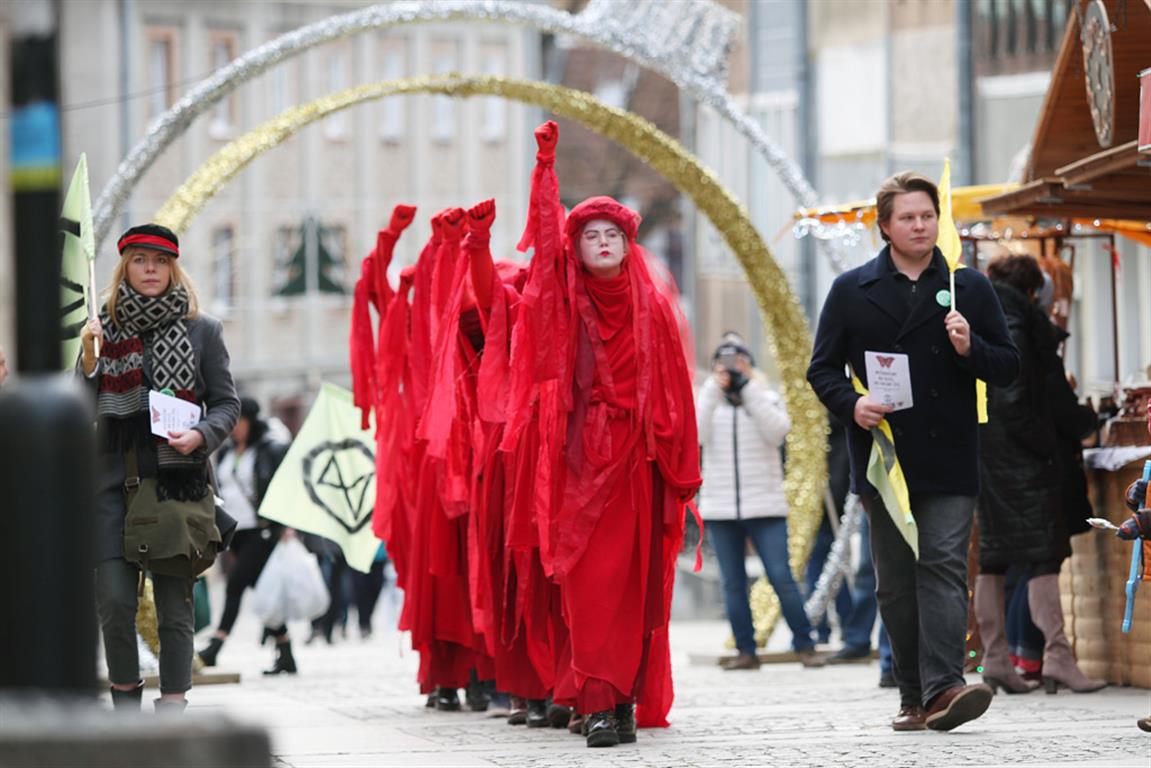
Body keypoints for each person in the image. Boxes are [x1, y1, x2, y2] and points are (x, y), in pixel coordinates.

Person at [505, 122, 702, 747]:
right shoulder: (562, 298)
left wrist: (677, 462)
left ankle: (619, 702)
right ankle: (595, 702)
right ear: (578, 247)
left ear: (628, 241)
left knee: (635, 591)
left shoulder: (654, 309)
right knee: (590, 589)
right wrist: (544, 168)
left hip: (637, 467)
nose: (602, 242)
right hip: (579, 465)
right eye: (590, 234)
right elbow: (541, 239)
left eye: (612, 233)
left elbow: (674, 389)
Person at [806, 172, 1019, 732]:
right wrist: (853, 404)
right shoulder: (852, 289)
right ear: (885, 226)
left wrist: (971, 347)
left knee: (944, 567)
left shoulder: (967, 285)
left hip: (950, 451)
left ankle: (947, 685)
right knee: (895, 582)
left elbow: (1007, 364)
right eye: (908, 217)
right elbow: (822, 368)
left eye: (927, 215)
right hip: (884, 457)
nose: (920, 225)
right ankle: (913, 694)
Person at [80, 223, 239, 712]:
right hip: (111, 486)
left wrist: (201, 436)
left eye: (160, 261)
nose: (151, 270)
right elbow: (78, 407)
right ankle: (126, 702)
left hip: (177, 484)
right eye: (140, 260)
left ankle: (172, 710)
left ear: (174, 268)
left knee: (175, 609)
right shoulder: (101, 328)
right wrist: (89, 359)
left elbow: (226, 404)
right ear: (124, 267)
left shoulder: (202, 329)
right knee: (114, 602)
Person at [975, 254, 1105, 695]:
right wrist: (1049, 443)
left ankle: (996, 659)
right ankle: (1056, 656)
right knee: (1044, 553)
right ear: (1033, 291)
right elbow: (1015, 392)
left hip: (985, 453)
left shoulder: (981, 311)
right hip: (1021, 456)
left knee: (993, 556)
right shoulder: (1017, 319)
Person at [696, 333, 824, 670]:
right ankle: (746, 650)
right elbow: (695, 435)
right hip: (721, 507)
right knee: (732, 583)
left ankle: (805, 644)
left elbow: (778, 431)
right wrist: (713, 388)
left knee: (782, 576)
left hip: (765, 506)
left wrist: (748, 389)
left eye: (738, 363)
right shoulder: (707, 402)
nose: (730, 370)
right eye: (722, 364)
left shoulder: (765, 398)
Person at [196, 396, 294, 675]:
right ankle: (285, 651)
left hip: (262, 530)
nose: (234, 427)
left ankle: (216, 645)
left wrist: (286, 526)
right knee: (260, 589)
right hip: (236, 530)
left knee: (236, 583)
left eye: (239, 421)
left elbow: (283, 488)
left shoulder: (269, 450)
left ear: (251, 422)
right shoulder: (227, 453)